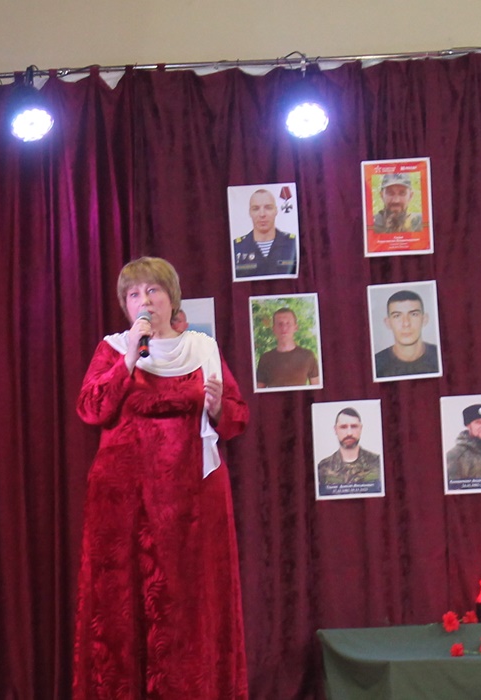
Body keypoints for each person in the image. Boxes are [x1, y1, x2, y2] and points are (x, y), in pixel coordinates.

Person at [73, 257, 249, 699]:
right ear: (125, 306)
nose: (145, 301)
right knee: (122, 609)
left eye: (153, 290)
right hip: (123, 504)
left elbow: (237, 417)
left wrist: (216, 408)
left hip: (193, 504)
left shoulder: (202, 349)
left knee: (189, 608)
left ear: (172, 298)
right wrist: (128, 360)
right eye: (134, 294)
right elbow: (91, 409)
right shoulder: (114, 349)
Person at [374, 290, 440, 378]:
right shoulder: (376, 364)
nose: (406, 323)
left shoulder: (441, 357)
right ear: (388, 323)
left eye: (414, 314)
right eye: (397, 316)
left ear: (424, 319)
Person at [233, 188, 298, 278]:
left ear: (276, 211)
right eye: (256, 209)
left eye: (268, 207)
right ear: (250, 212)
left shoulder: (293, 243)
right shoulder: (237, 247)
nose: (262, 214)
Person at [317, 407, 382, 494]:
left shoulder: (378, 462)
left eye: (354, 426)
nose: (349, 433)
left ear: (360, 428)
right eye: (343, 427)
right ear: (335, 430)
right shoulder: (323, 467)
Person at [256, 307, 320, 388]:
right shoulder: (265, 358)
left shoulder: (308, 356)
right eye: (280, 324)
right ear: (274, 329)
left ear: (296, 328)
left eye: (288, 324)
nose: (284, 328)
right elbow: (259, 390)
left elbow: (317, 389)